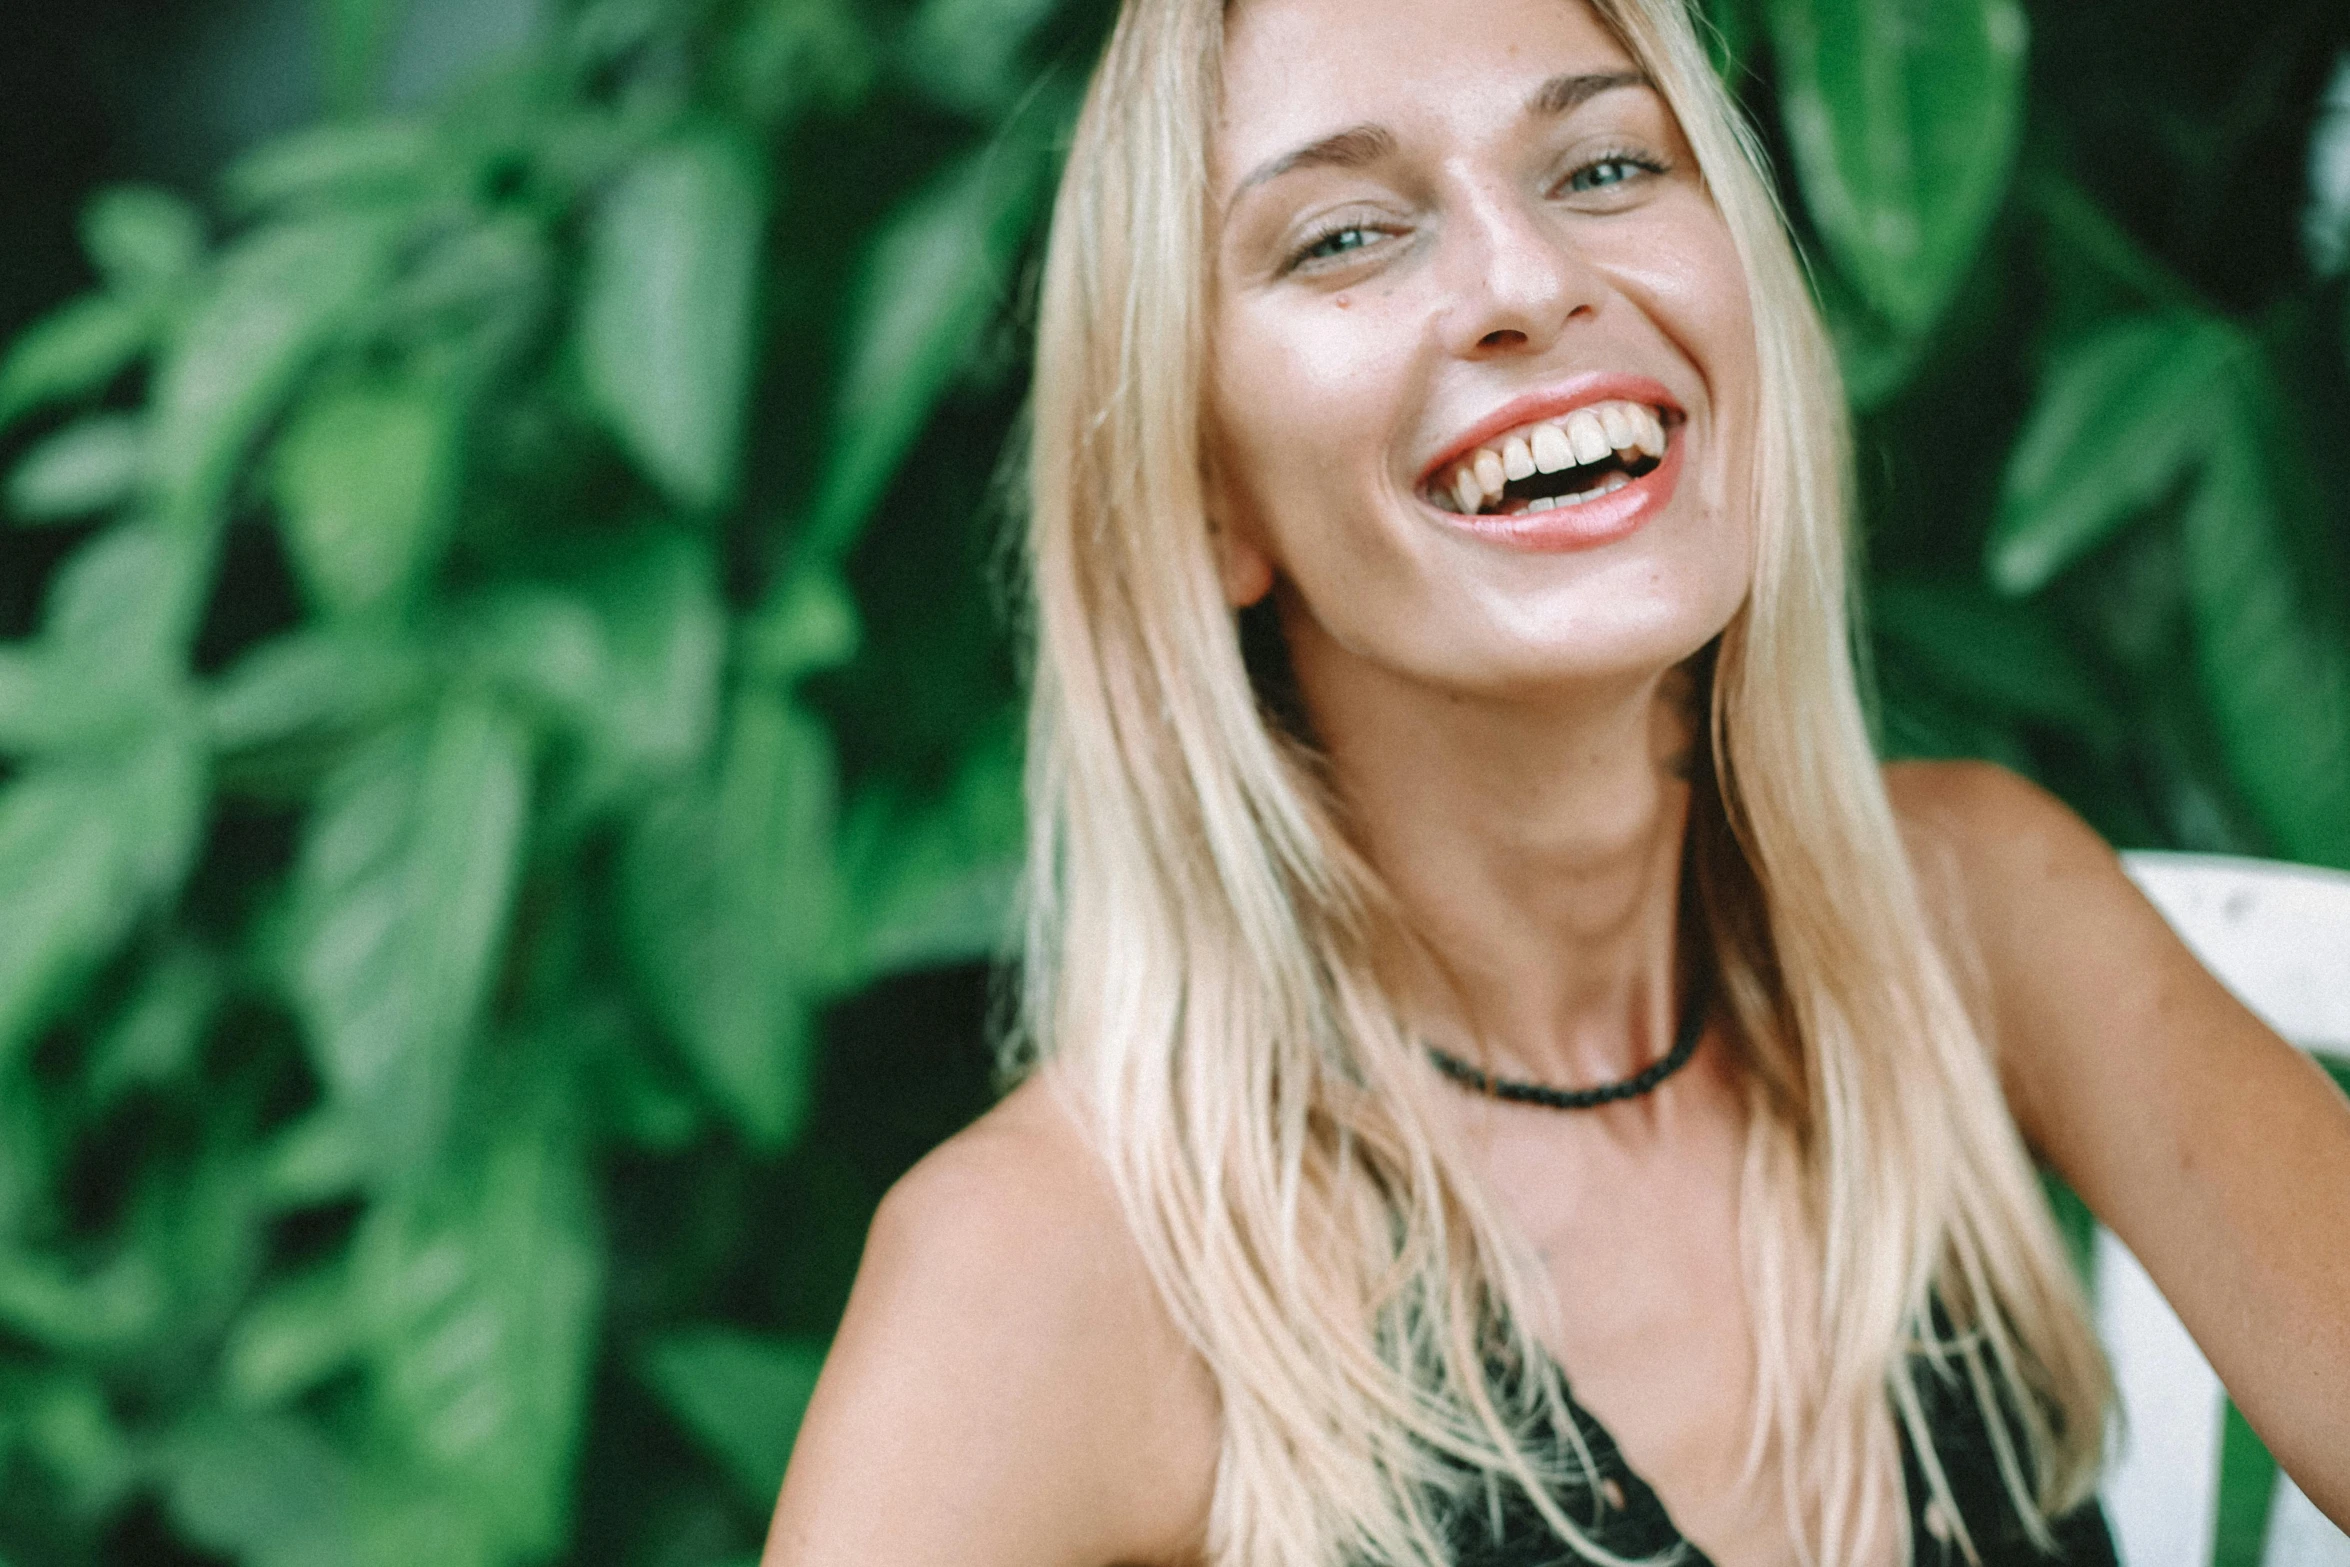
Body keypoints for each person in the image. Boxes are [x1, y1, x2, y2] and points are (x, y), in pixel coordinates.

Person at [763, 0, 2350, 1561]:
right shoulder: (1051, 1273)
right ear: (1203, 504)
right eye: (1343, 237)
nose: (1527, 280)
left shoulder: (1970, 913)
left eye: (1600, 169)